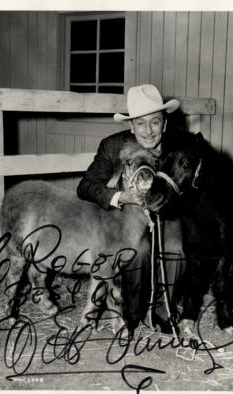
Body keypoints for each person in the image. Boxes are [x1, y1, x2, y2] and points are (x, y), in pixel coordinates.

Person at [77, 84, 186, 333]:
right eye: (140, 123)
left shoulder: (179, 147)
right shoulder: (112, 146)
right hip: (128, 211)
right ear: (131, 125)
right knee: (137, 249)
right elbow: (85, 186)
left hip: (167, 210)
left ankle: (163, 311)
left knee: (175, 248)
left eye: (155, 123)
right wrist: (120, 196)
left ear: (165, 124)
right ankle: (133, 312)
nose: (148, 131)